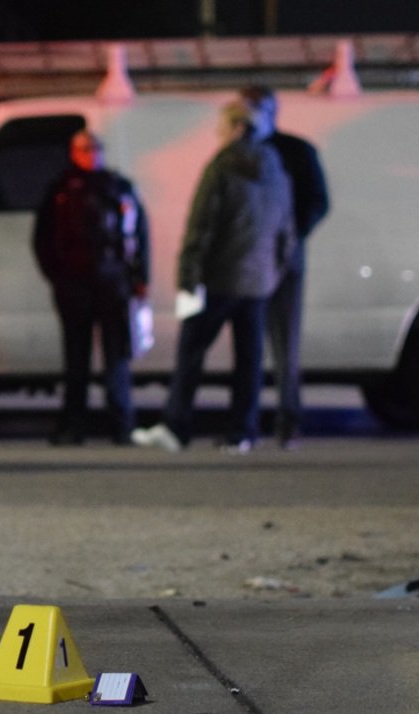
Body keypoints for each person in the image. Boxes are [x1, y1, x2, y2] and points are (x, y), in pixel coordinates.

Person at [133, 101, 294, 454]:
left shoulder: (223, 167)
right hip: (258, 282)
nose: (219, 133)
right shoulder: (276, 168)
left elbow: (201, 226)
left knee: (191, 351)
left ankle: (175, 427)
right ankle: (242, 432)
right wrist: (273, 273)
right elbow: (286, 231)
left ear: (235, 127)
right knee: (249, 361)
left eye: (222, 126)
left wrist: (188, 278)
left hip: (220, 278)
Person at [32, 129, 150, 445]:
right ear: (73, 152)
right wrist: (55, 275)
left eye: (95, 148)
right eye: (84, 148)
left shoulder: (118, 187)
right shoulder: (60, 189)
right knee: (76, 360)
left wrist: (141, 278)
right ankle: (73, 425)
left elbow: (140, 235)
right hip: (74, 285)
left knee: (116, 358)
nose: (90, 153)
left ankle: (122, 425)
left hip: (112, 282)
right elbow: (42, 238)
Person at [241, 86, 330, 449]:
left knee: (284, 343)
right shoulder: (240, 153)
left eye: (258, 108)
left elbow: (318, 200)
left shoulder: (296, 151)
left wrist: (293, 234)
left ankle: (287, 420)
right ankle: (245, 423)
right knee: (249, 343)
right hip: (248, 259)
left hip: (283, 258)